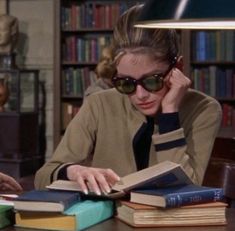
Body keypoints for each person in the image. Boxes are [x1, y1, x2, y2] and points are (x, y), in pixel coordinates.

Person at [35, 5, 222, 195]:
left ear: (178, 68)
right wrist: (73, 171)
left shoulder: (204, 109)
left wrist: (170, 115)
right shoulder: (99, 104)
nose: (140, 95)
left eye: (151, 81)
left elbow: (187, 190)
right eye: (126, 83)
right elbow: (42, 178)